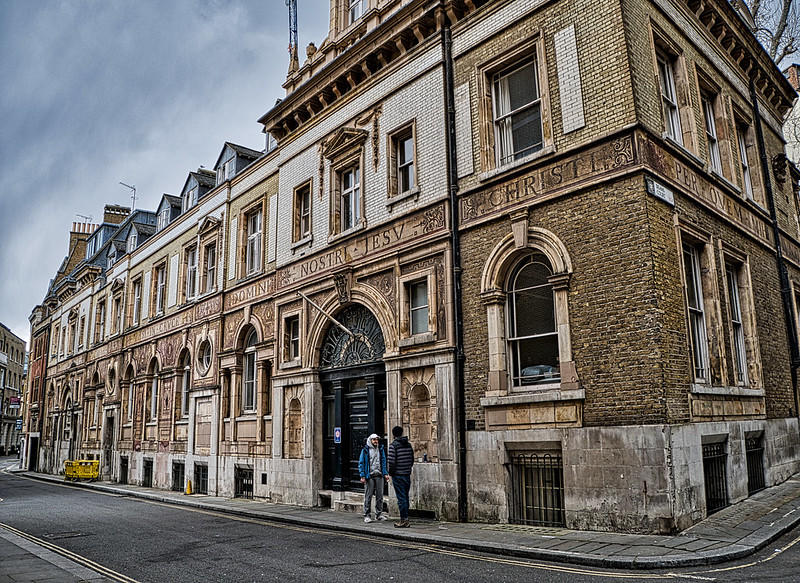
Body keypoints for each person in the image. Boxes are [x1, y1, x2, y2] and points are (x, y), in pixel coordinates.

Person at [387, 425, 414, 528]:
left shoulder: (393, 446)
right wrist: (407, 469)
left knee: (401, 498)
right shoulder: (408, 445)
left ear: (393, 434)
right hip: (407, 474)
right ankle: (405, 518)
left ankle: (404, 520)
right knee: (405, 497)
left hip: (398, 475)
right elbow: (411, 459)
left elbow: (391, 462)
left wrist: (391, 473)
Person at [358, 433, 388, 523]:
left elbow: (383, 462)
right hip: (369, 476)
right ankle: (367, 515)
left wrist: (385, 473)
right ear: (370, 440)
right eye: (374, 439)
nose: (376, 441)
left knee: (380, 496)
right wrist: (362, 475)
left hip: (379, 475)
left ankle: (378, 514)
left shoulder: (380, 449)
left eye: (377, 439)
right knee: (368, 496)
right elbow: (361, 463)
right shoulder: (365, 450)